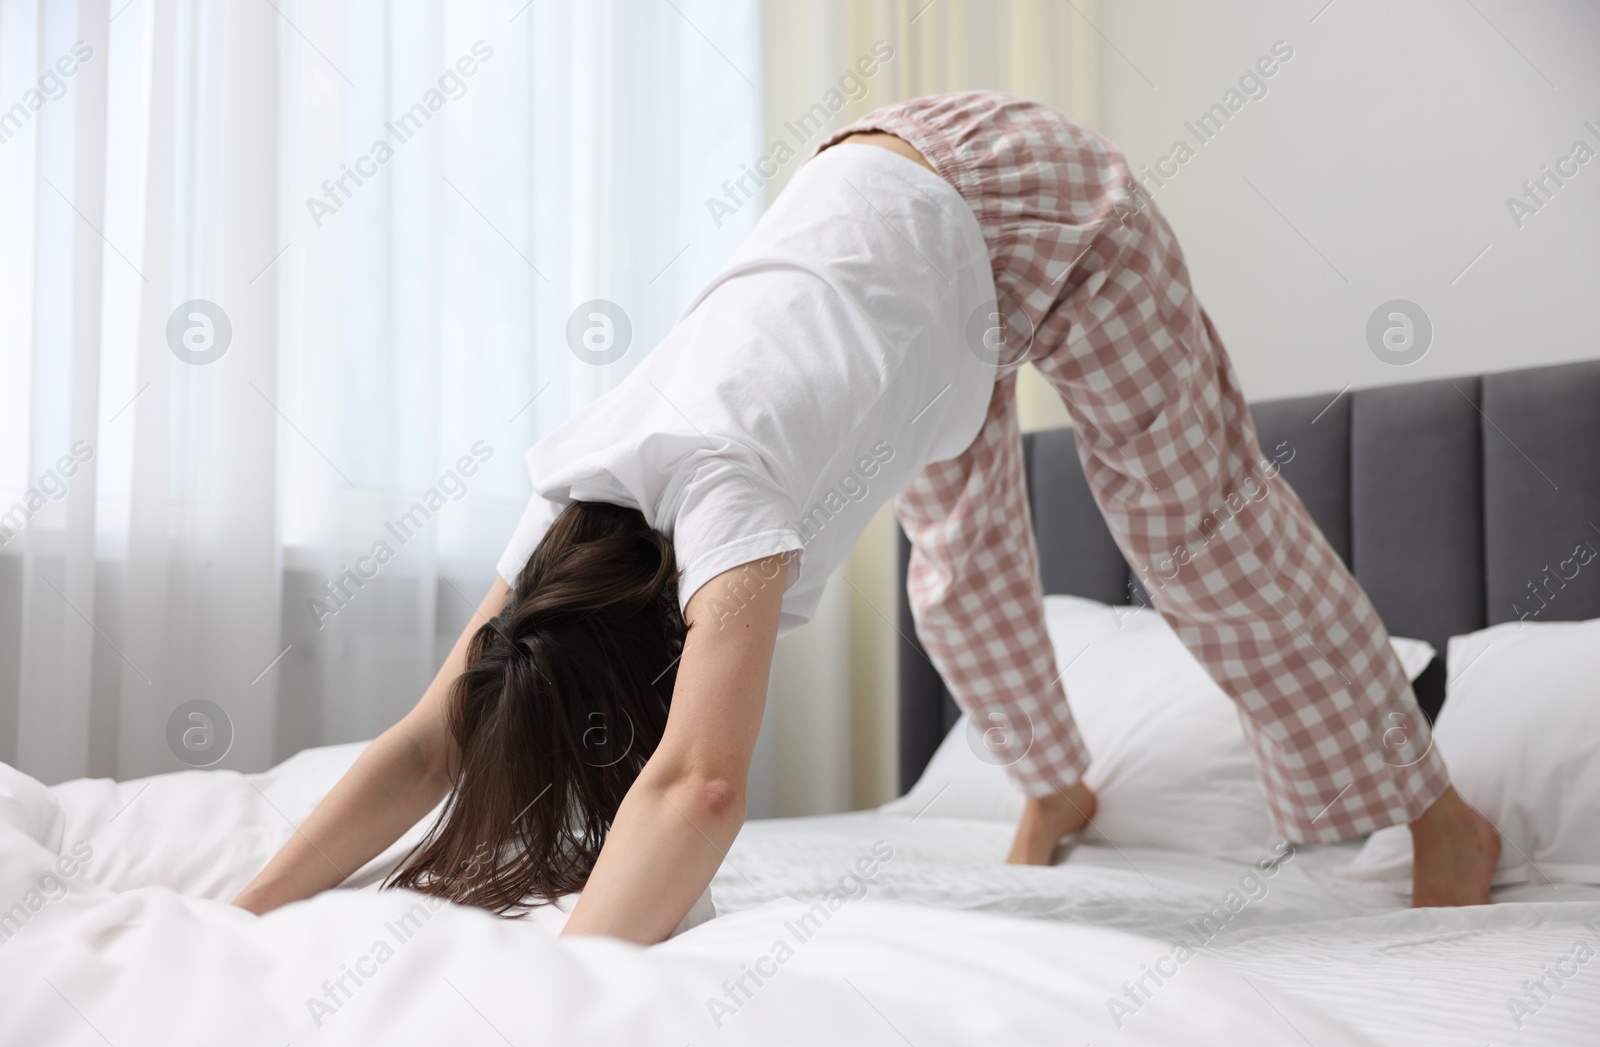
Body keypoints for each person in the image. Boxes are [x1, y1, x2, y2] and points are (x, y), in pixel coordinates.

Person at [233, 92, 1499, 941]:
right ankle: (1057, 791)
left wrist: (577, 986)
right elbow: (425, 742)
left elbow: (703, 782)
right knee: (954, 568)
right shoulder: (564, 502)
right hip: (905, 236)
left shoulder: (729, 498)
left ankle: (1439, 812)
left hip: (1034, 200)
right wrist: (246, 910)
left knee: (1196, 529)